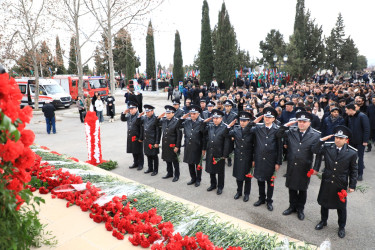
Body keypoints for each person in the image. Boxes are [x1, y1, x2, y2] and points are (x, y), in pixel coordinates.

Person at [313, 125, 358, 239]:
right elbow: (315, 150)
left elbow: (354, 170)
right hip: (327, 180)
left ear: (346, 139)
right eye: (336, 137)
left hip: (340, 182)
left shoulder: (352, 152)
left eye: (340, 138)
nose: (337, 140)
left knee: (341, 207)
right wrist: (321, 140)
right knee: (324, 203)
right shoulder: (328, 147)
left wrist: (352, 185)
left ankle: (341, 227)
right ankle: (323, 221)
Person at [276, 111, 321, 220]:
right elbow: (278, 134)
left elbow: (319, 153)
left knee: (302, 189)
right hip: (292, 165)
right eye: (299, 121)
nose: (301, 123)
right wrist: (286, 125)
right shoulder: (291, 131)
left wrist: (316, 168)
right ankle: (292, 207)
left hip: (305, 166)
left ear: (309, 123)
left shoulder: (315, 134)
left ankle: (300, 209)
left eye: (304, 122)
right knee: (291, 187)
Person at [249, 107, 282, 211]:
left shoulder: (277, 129)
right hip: (259, 158)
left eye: (270, 117)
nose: (267, 119)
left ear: (274, 119)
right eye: (266, 116)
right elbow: (247, 130)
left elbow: (280, 147)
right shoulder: (258, 128)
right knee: (260, 180)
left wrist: (278, 162)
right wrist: (254, 122)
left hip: (271, 160)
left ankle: (269, 201)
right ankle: (261, 199)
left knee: (270, 181)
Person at [203, 109, 231, 195]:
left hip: (219, 153)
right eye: (214, 118)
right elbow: (203, 132)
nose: (215, 120)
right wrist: (204, 122)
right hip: (210, 151)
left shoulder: (225, 127)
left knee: (220, 171)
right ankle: (213, 184)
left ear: (221, 119)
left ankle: (220, 187)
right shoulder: (210, 126)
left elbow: (227, 142)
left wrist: (225, 154)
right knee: (211, 169)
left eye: (217, 118)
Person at [228, 111, 254, 202]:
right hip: (238, 156)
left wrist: (254, 159)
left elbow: (255, 145)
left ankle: (247, 194)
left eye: (244, 121)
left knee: (247, 177)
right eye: (241, 120)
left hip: (248, 156)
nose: (242, 122)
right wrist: (229, 126)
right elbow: (226, 134)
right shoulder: (236, 129)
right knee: (238, 176)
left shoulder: (252, 131)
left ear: (248, 121)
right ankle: (239, 192)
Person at [179, 105, 206, 187]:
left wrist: (204, 148)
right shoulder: (187, 121)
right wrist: (182, 118)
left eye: (194, 114)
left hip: (198, 147)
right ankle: (193, 178)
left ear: (198, 114)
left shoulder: (202, 122)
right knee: (190, 163)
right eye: (191, 113)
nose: (192, 115)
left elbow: (204, 137)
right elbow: (178, 125)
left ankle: (198, 179)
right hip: (188, 146)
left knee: (198, 164)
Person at [157, 105, 182, 182]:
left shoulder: (177, 121)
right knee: (167, 159)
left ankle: (177, 175)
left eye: (169, 113)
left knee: (175, 161)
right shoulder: (164, 120)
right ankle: (169, 173)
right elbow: (156, 124)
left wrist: (177, 146)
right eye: (166, 113)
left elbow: (179, 135)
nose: (167, 114)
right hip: (165, 144)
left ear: (173, 113)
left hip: (173, 144)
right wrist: (158, 118)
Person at [345, 103, 370, 181]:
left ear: (351, 110)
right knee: (351, 157)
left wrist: (365, 141)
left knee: (360, 158)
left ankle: (360, 174)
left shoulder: (362, 116)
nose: (346, 112)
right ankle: (352, 172)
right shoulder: (350, 117)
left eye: (346, 111)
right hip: (352, 141)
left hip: (360, 142)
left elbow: (366, 129)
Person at [137, 105, 160, 176]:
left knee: (154, 156)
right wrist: (138, 117)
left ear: (152, 111)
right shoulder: (145, 118)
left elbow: (158, 132)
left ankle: (155, 170)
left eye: (148, 112)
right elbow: (138, 123)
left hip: (153, 140)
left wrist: (157, 142)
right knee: (148, 154)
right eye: (146, 112)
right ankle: (150, 168)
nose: (147, 113)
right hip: (146, 140)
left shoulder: (156, 119)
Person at [121, 101, 144, 170]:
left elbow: (142, 129)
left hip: (137, 136)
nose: (130, 110)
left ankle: (140, 164)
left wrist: (141, 138)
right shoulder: (129, 115)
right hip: (131, 136)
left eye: (132, 109)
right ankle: (135, 163)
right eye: (130, 109)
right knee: (133, 150)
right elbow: (123, 119)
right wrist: (124, 113)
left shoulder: (139, 116)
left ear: (136, 109)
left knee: (139, 151)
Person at [223, 100, 237, 167]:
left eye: (228, 106)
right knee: (222, 146)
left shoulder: (234, 115)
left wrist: (233, 135)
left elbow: (235, 126)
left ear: (231, 107)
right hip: (222, 133)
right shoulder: (221, 114)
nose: (227, 107)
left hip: (230, 133)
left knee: (230, 148)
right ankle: (222, 159)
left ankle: (229, 160)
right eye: (226, 106)